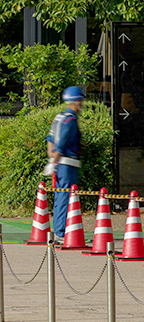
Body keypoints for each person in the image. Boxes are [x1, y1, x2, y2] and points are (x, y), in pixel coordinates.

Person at [47, 86, 85, 243]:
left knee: (59, 196)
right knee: (66, 196)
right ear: (75, 102)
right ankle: (61, 232)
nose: (81, 104)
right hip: (68, 163)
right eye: (80, 101)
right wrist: (55, 159)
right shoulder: (70, 119)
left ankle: (58, 230)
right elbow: (62, 143)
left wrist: (51, 159)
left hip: (59, 163)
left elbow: (50, 139)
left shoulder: (59, 117)